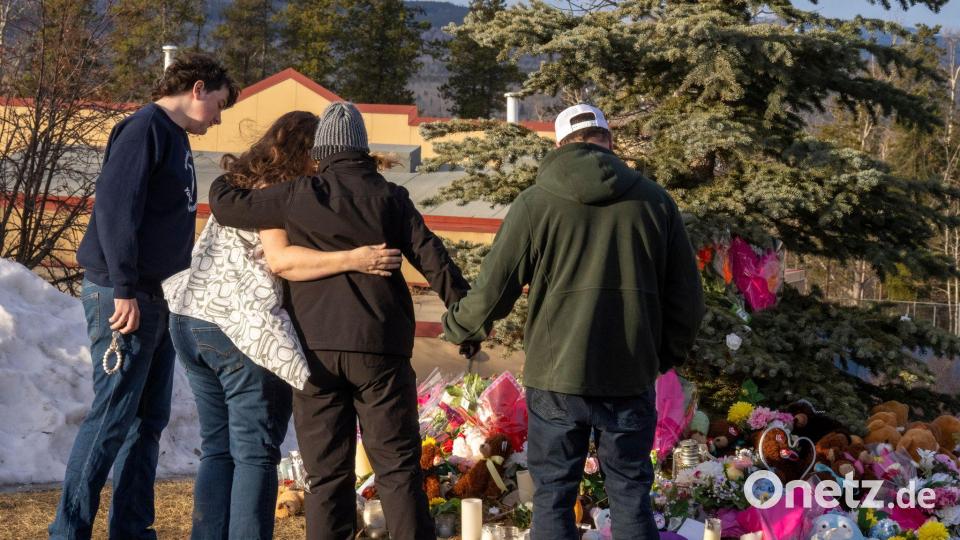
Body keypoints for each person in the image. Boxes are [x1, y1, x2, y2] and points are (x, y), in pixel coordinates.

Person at [208, 101, 471, 540]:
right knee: (397, 469)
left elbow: (227, 206)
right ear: (363, 149)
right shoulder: (391, 198)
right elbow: (435, 261)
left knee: (326, 472)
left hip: (316, 351)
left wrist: (236, 171)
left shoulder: (297, 195)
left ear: (322, 151)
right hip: (381, 350)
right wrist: (468, 319)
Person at [441, 104, 705, 540]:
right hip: (628, 376)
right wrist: (661, 357)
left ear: (560, 145)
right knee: (629, 494)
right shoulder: (655, 202)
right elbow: (687, 301)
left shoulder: (535, 203)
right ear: (609, 142)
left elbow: (494, 290)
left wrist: (461, 328)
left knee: (553, 495)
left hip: (557, 377)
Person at [162, 111, 403, 540]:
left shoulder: (241, 184)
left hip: (189, 317)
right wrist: (356, 258)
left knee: (218, 449)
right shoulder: (277, 193)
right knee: (255, 452)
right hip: (240, 328)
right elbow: (281, 260)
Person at [50, 53, 240, 540]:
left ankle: (132, 530)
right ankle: (68, 532)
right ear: (197, 88)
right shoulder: (144, 129)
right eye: (218, 105)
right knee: (113, 415)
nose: (218, 118)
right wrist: (125, 288)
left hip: (160, 297)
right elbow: (116, 209)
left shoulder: (174, 138)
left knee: (147, 420)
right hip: (125, 296)